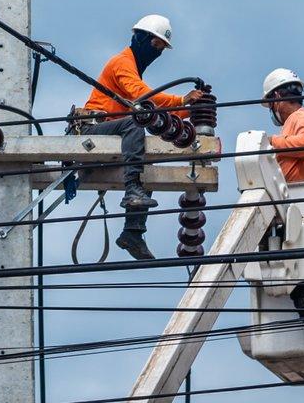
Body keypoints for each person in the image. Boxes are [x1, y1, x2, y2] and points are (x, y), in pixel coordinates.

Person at [71, 14, 208, 261]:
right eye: (156, 45)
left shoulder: (133, 67)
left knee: (145, 166)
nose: (158, 53)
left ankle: (132, 232)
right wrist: (181, 100)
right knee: (136, 123)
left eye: (162, 49)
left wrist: (191, 109)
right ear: (142, 38)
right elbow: (141, 95)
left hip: (114, 131)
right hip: (92, 130)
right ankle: (132, 189)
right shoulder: (122, 62)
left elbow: (152, 108)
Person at [261, 68, 304, 183]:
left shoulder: (299, 116)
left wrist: (272, 141)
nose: (272, 110)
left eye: (270, 105)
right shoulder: (295, 121)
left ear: (277, 97)